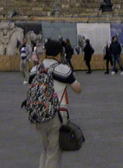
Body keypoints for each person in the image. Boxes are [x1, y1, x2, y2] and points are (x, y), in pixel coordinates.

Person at [29, 38, 81, 168]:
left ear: (45, 52)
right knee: (54, 152)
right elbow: (77, 88)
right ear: (59, 54)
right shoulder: (62, 69)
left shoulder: (35, 70)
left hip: (39, 113)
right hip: (57, 115)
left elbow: (32, 90)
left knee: (46, 150)